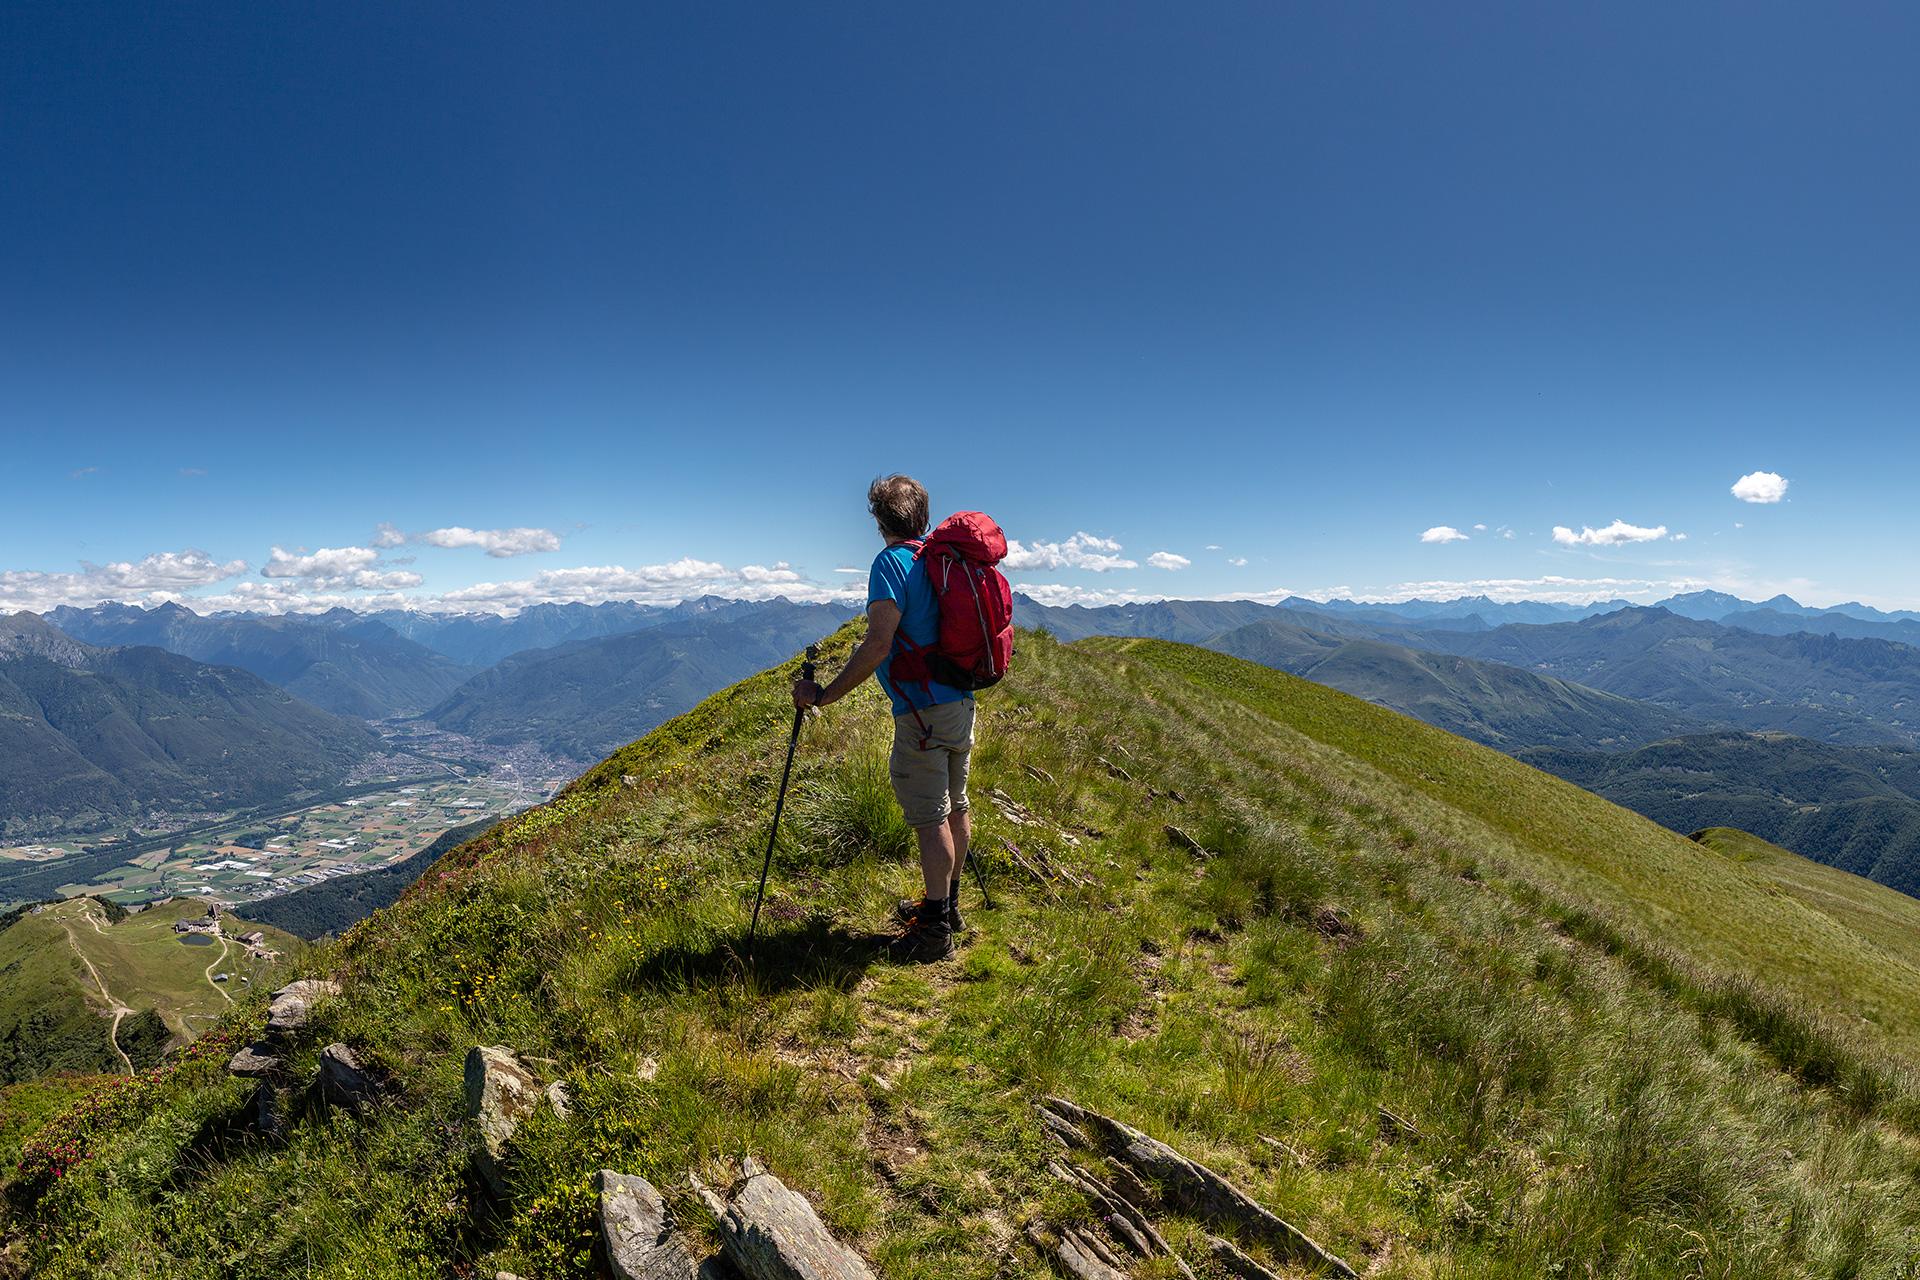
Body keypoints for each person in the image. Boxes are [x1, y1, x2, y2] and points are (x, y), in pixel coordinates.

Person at [792, 475, 973, 962]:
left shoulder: (890, 563)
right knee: (956, 802)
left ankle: (933, 930)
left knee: (930, 813)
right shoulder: (942, 559)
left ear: (878, 521)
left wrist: (825, 695)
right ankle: (948, 907)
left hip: (922, 711)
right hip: (960, 701)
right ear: (923, 516)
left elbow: (878, 644)